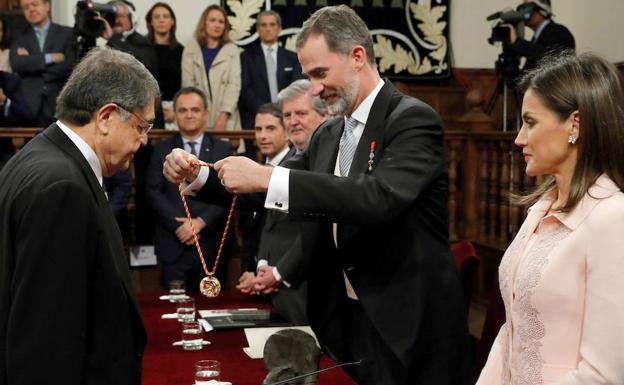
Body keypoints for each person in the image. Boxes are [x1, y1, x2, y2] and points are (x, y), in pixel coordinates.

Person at [163, 5, 469, 384]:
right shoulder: (329, 134)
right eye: (309, 76)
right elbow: (272, 191)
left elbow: (376, 198)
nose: (315, 89)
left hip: (406, 323)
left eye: (320, 73)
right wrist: (198, 177)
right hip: (346, 319)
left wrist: (266, 176)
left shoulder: (411, 120)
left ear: (357, 56)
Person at [0, 46, 159, 384]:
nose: (144, 141)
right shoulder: (62, 187)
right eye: (142, 126)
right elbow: (47, 338)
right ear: (105, 117)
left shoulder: (40, 157)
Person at [476, 52, 624, 385]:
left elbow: (604, 374)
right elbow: (512, 329)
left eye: (530, 122)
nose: (519, 139)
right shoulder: (541, 208)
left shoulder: (613, 218)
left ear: (575, 123)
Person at [146, 87, 231, 290]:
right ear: (174, 115)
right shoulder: (161, 149)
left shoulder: (223, 149)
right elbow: (153, 192)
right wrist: (180, 226)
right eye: (183, 110)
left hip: (211, 243)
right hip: (173, 242)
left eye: (195, 109)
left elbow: (230, 192)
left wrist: (200, 222)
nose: (189, 114)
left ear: (205, 114)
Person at [238, 10, 303, 157]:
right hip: (256, 119)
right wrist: (267, 113)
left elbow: (296, 87)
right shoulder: (246, 57)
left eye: (272, 24)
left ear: (279, 28)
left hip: (287, 118)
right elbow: (245, 90)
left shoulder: (292, 58)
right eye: (263, 25)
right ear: (258, 29)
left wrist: (281, 111)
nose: (268, 28)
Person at [10, 0, 76, 127]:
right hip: (28, 106)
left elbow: (69, 65)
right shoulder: (19, 36)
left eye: (34, 4)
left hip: (59, 103)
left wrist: (31, 61)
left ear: (47, 6)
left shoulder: (67, 33)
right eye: (26, 7)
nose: (31, 9)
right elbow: (17, 64)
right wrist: (50, 57)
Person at [182, 5, 241, 132]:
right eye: (212, 20)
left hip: (226, 116)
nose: (217, 25)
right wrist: (197, 114)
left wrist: (224, 115)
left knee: (227, 151)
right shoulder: (191, 48)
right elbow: (188, 85)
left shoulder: (232, 49)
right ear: (204, 23)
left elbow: (234, 85)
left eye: (221, 22)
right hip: (197, 115)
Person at [506, 0, 575, 71]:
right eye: (522, 9)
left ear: (543, 10)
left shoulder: (559, 31)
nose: (523, 13)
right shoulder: (537, 37)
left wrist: (517, 42)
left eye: (527, 8)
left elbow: (550, 57)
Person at [145, 2, 183, 102]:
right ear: (151, 22)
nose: (161, 20)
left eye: (165, 16)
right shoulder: (142, 48)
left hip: (175, 106)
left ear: (172, 21)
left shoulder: (182, 51)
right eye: (157, 17)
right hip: (147, 106)